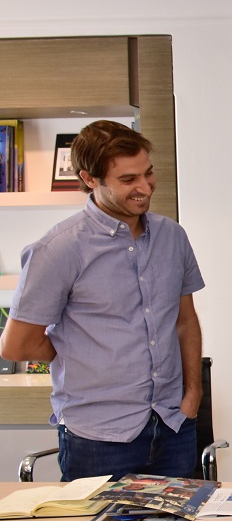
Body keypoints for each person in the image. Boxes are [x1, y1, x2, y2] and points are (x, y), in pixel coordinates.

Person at [0, 120, 205, 481]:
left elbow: (185, 319)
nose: (144, 187)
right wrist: (77, 353)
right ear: (90, 179)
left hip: (173, 425)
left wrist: (192, 393)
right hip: (98, 437)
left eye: (148, 173)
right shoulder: (58, 250)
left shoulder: (172, 236)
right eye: (128, 180)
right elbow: (16, 345)